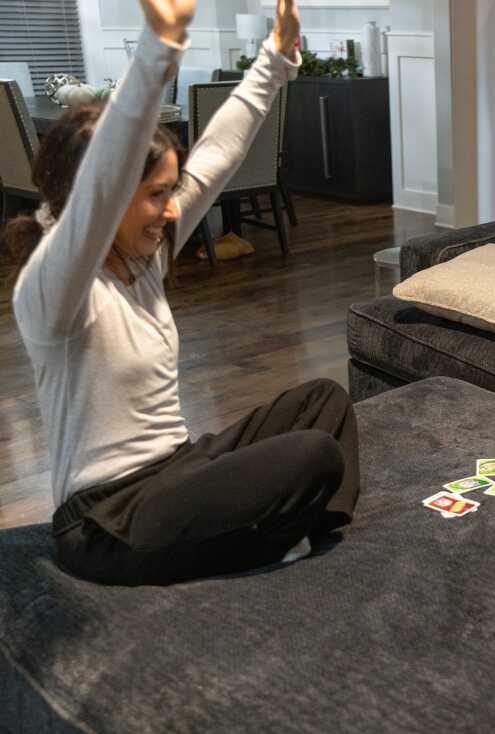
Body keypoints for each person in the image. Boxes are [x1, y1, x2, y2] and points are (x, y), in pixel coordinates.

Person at [8, 0, 360, 586]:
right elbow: (102, 179)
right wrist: (158, 49)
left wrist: (275, 57)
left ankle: (296, 534)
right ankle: (276, 540)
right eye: (154, 193)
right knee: (314, 458)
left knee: (322, 402)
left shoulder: (145, 256)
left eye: (172, 190)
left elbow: (219, 157)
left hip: (177, 469)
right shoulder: (54, 289)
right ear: (108, 195)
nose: (171, 209)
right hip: (107, 521)